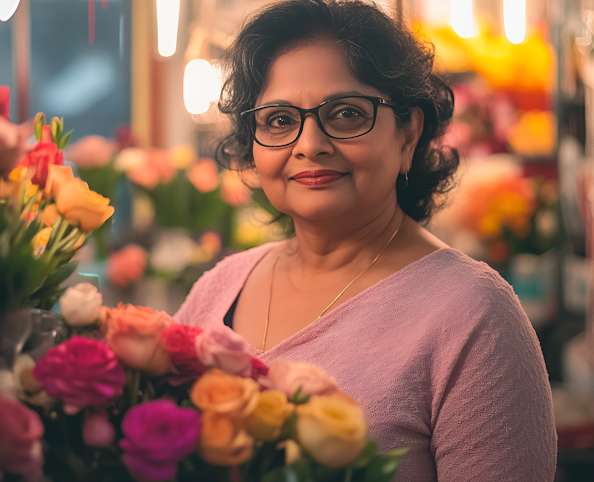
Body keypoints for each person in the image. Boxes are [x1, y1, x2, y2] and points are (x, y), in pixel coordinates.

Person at [173, 0, 557, 480]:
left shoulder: (474, 317)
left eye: (347, 114)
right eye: (278, 120)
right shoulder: (221, 284)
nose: (309, 144)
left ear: (408, 134)